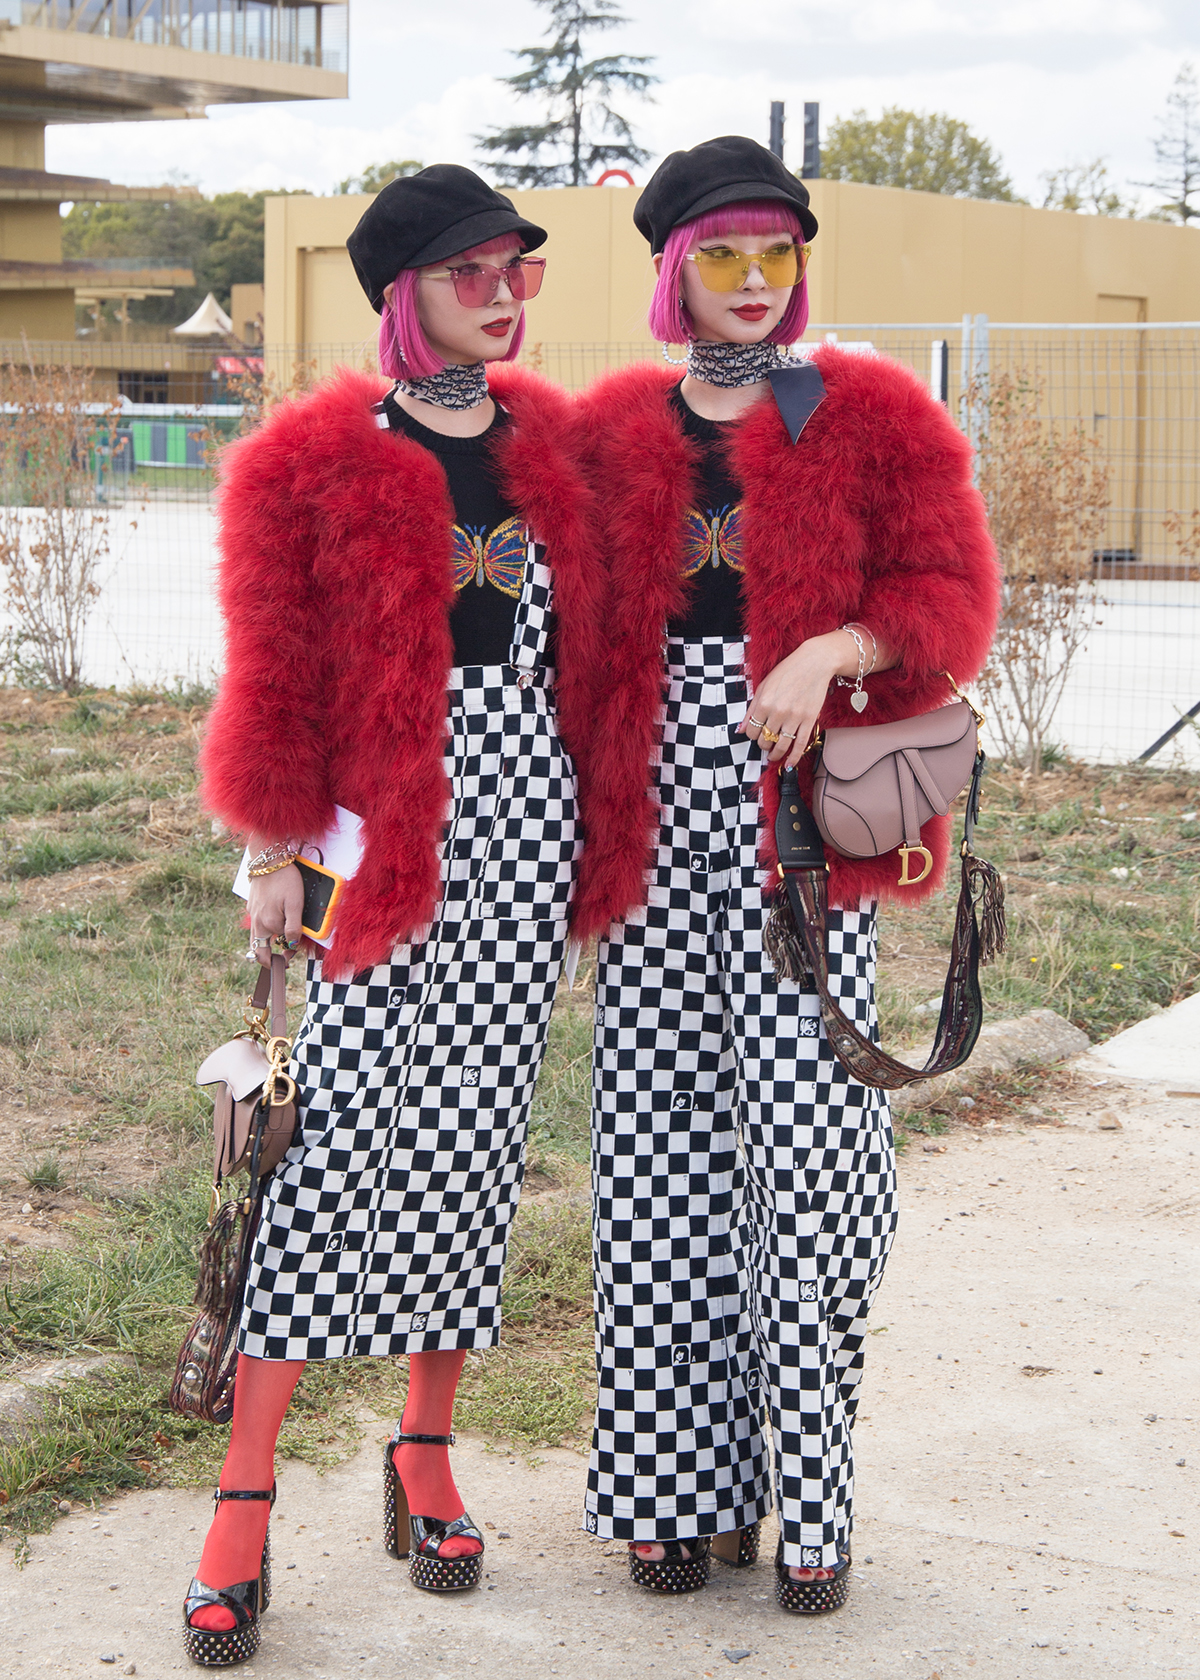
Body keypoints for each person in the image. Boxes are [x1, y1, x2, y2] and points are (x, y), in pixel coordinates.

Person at [571, 135, 999, 1613]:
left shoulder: (866, 410)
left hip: (805, 841)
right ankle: (671, 1495)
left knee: (810, 1163)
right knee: (658, 1168)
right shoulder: (610, 431)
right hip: (648, 846)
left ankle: (811, 1499)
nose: (754, 281)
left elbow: (951, 594)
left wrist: (835, 645)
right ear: (673, 270)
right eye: (723, 256)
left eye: (777, 253)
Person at [185, 165, 603, 1666]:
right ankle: (242, 1499)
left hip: (528, 834)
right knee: (332, 1153)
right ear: (402, 293)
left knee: (473, 1151)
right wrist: (269, 844)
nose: (501, 295)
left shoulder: (554, 448)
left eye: (516, 270)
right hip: (376, 841)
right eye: (468, 271)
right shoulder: (311, 460)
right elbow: (273, 669)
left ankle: (424, 1455)